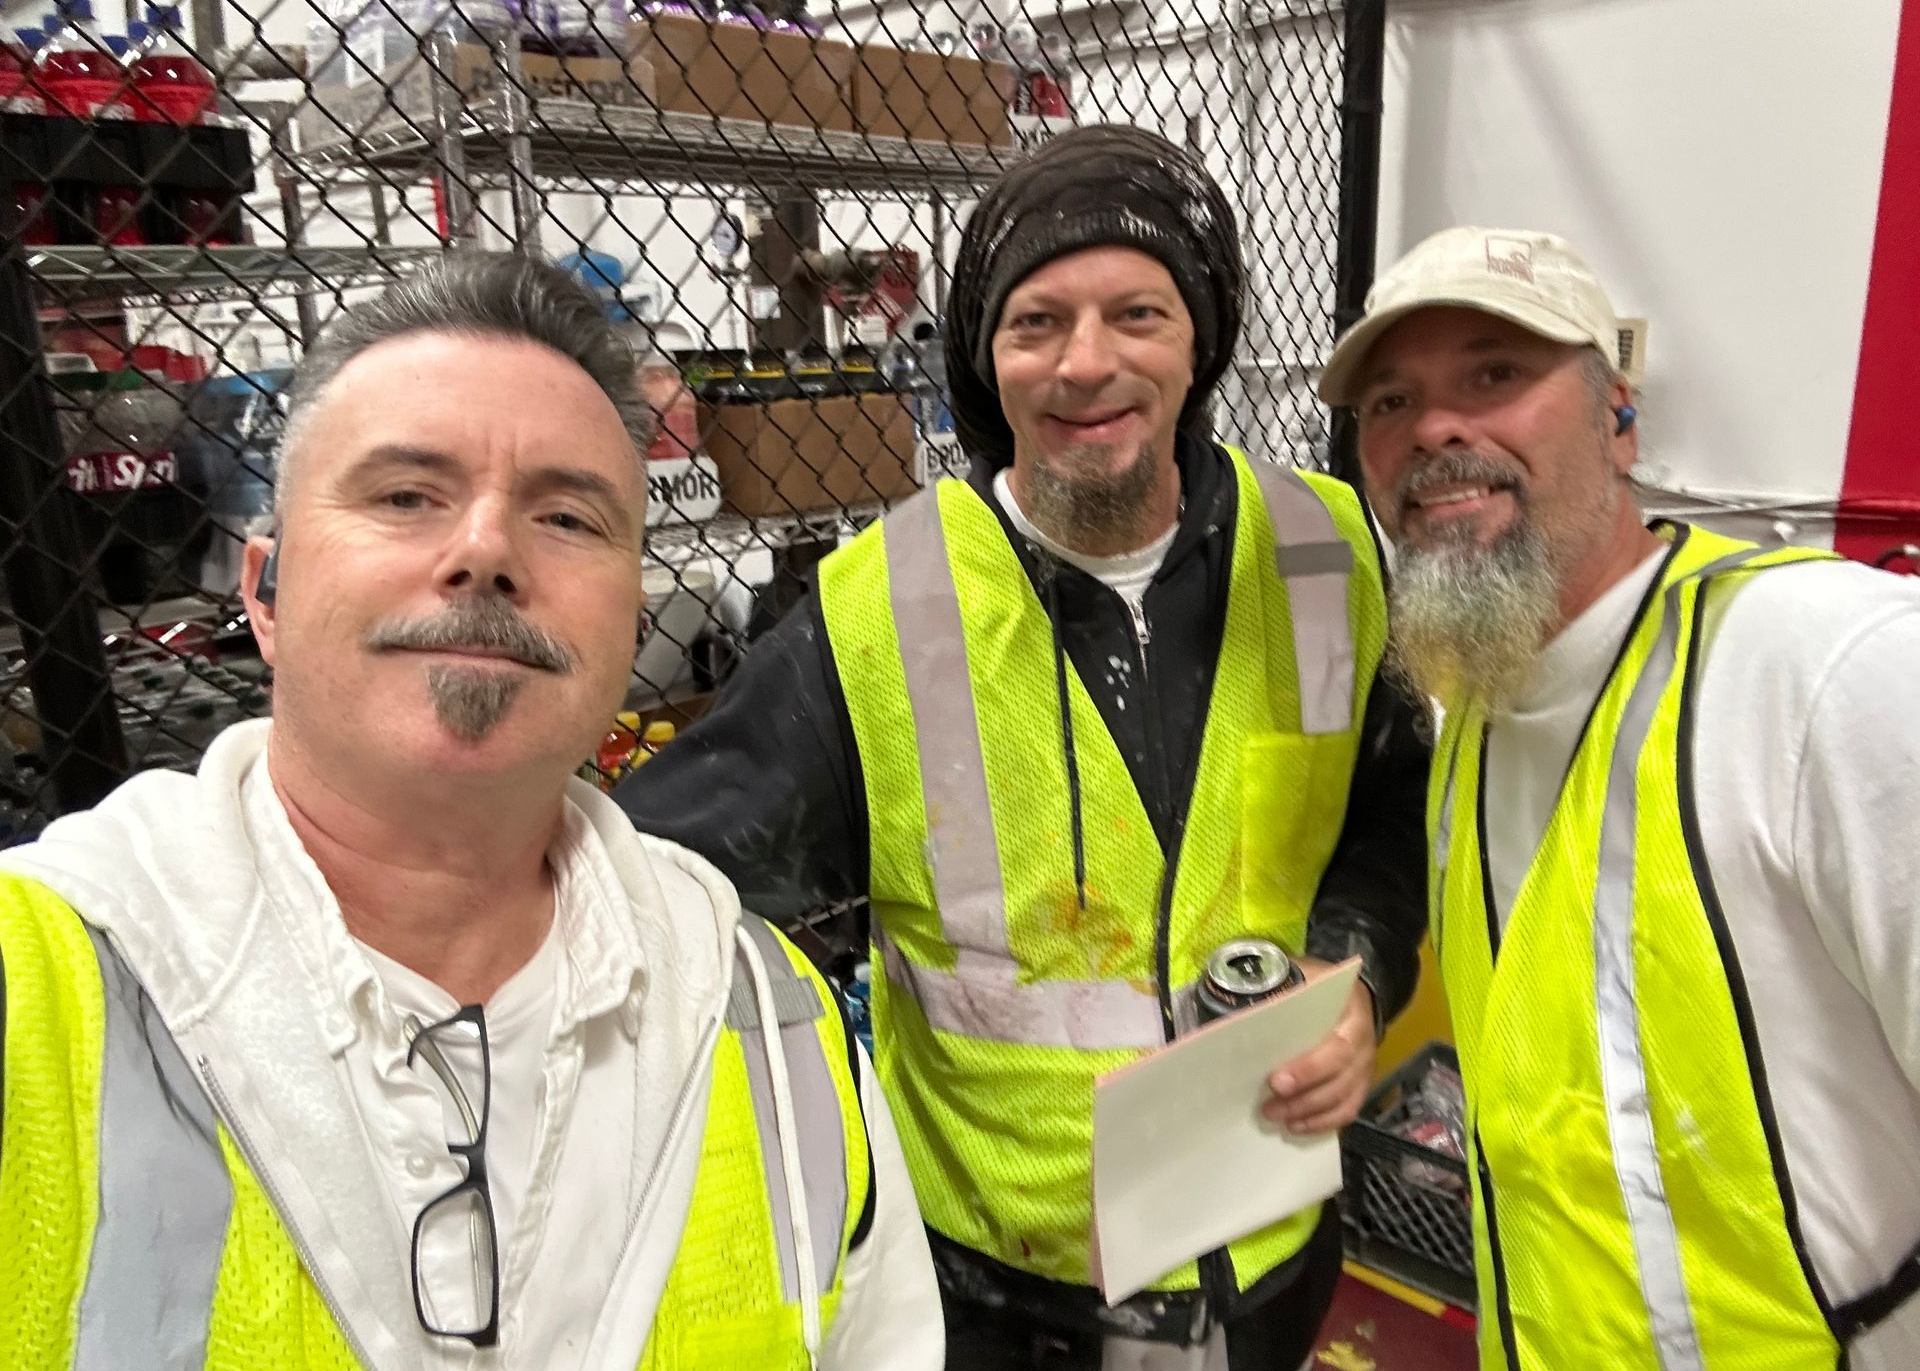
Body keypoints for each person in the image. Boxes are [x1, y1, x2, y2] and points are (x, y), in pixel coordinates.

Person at [0, 254, 941, 1369]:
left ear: (632, 617)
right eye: (406, 496)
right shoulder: (44, 986)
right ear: (264, 588)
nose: (486, 551)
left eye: (568, 517)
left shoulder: (774, 1022)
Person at [619, 124, 1432, 1368]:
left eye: (1138, 315)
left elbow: (1381, 809)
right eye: (1036, 322)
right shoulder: (878, 614)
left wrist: (1358, 969)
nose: (1086, 365)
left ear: (1200, 340)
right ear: (983, 358)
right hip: (1005, 1292)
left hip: (1272, 1236)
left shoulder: (1320, 550)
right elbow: (652, 899)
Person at [1322, 224, 1920, 1369]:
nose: (1436, 430)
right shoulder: (1472, 719)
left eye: (1495, 375)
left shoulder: (1826, 672)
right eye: (1390, 403)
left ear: (1619, 413)